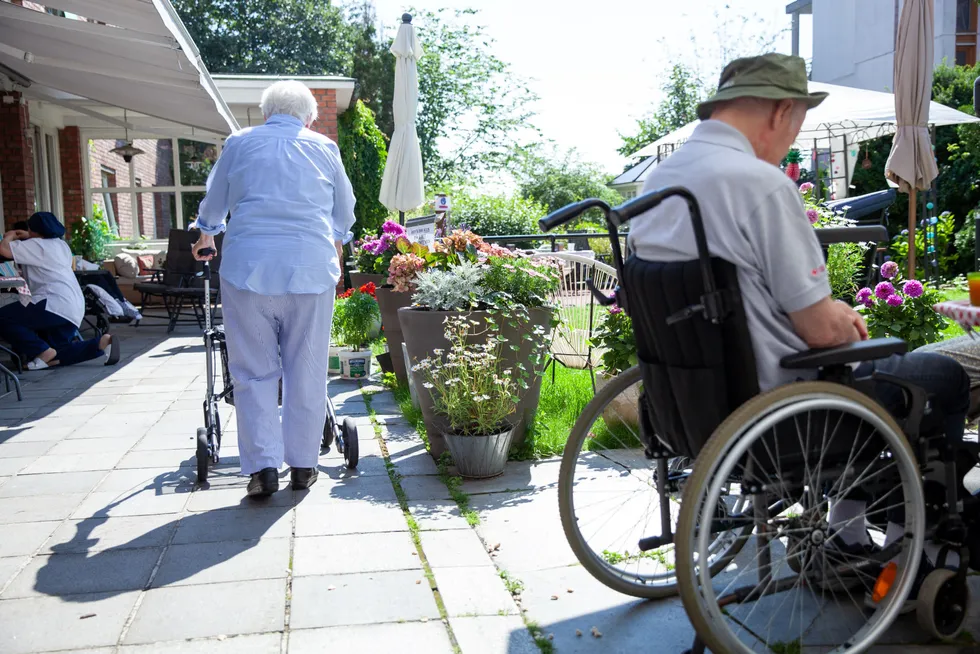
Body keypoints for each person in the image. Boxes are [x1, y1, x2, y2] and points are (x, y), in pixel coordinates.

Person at [628, 53, 970, 598]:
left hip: (691, 406)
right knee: (941, 381)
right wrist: (845, 318)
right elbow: (819, 330)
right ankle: (914, 553)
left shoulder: (659, 182)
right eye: (797, 123)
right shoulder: (759, 185)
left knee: (889, 377)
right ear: (782, 109)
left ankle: (846, 534)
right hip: (786, 408)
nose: (791, 139)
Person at [193, 80, 355, 498]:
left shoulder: (240, 143)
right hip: (311, 269)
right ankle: (302, 465)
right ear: (308, 117)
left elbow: (214, 202)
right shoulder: (325, 148)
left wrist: (207, 234)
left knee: (252, 370)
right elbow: (345, 212)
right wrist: (332, 235)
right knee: (308, 366)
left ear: (265, 114)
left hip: (249, 268)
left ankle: (262, 469)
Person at [0, 212, 119, 370]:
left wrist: (9, 236)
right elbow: (42, 245)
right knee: (60, 352)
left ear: (35, 230)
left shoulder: (35, 245)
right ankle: (102, 343)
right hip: (73, 306)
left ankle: (41, 351)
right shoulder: (61, 245)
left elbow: (4, 251)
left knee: (3, 318)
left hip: (52, 303)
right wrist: (28, 235)